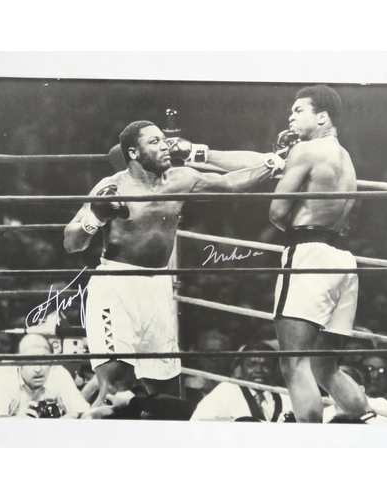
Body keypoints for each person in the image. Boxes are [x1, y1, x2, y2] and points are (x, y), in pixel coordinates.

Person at [64, 120, 284, 407]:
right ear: (133, 153)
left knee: (166, 390)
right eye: (154, 142)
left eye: (164, 140)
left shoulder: (181, 178)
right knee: (116, 385)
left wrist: (275, 163)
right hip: (116, 286)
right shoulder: (111, 187)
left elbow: (231, 183)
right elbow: (71, 242)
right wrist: (95, 218)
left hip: (159, 288)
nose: (165, 146)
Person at [267, 85, 373, 422]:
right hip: (343, 259)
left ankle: (307, 445)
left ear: (322, 117)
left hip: (310, 255)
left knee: (294, 365)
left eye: (299, 110)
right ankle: (368, 424)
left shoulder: (305, 150)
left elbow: (276, 213)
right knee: (326, 366)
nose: (291, 116)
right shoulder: (346, 157)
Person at [0, 333, 90, 418]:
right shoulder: (4, 373)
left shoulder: (58, 372)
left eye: (44, 361)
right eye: (30, 362)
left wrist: (69, 419)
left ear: (51, 361)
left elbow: (83, 412)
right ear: (18, 362)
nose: (38, 370)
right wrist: (19, 420)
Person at [190, 341, 292, 422]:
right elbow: (198, 423)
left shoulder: (285, 396)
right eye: (251, 364)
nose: (258, 370)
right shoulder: (227, 391)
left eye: (266, 365)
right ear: (241, 367)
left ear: (275, 368)